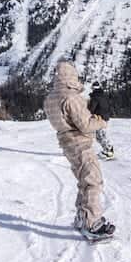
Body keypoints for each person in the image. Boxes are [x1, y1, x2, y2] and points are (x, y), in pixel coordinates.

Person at [44, 60, 115, 240]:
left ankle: (82, 217)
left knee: (84, 180)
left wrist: (89, 104)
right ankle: (92, 223)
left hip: (67, 142)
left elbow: (69, 113)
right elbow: (85, 124)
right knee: (93, 180)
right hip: (80, 143)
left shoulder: (51, 98)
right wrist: (102, 119)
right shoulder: (71, 97)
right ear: (71, 76)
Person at [88, 82, 115, 160]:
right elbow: (108, 106)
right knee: (101, 135)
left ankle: (109, 151)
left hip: (99, 117)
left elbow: (92, 109)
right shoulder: (103, 95)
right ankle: (106, 150)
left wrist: (88, 112)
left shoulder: (95, 97)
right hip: (105, 117)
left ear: (93, 88)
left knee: (100, 135)